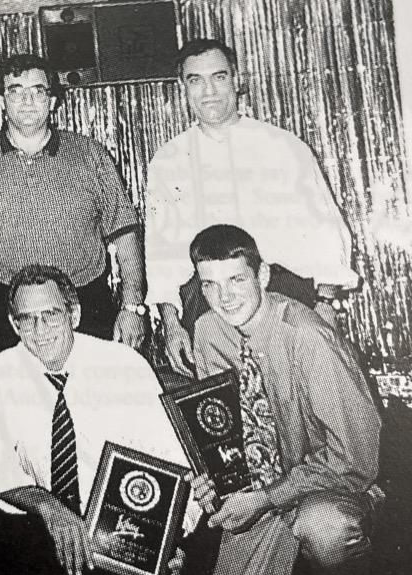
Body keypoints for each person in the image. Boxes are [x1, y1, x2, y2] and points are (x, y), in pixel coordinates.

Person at [144, 38, 358, 376]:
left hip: (286, 290)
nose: (208, 91)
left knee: (304, 405)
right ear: (181, 88)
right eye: (195, 80)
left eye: (219, 77)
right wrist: (172, 324)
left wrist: (326, 305)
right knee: (232, 411)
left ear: (237, 79)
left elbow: (325, 233)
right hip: (209, 300)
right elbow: (161, 255)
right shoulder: (168, 161)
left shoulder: (284, 148)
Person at [0, 264, 196, 575]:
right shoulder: (2, 371)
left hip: (123, 533)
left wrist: (171, 538)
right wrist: (49, 508)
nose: (39, 329)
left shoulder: (124, 366)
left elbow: (173, 461)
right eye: (26, 319)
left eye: (50, 314)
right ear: (13, 324)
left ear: (73, 315)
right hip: (43, 527)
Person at [188, 224, 382, 575]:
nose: (225, 298)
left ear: (262, 275)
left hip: (332, 484)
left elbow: (357, 457)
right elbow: (223, 435)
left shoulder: (308, 338)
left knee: (324, 529)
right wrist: (213, 477)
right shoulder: (208, 332)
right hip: (263, 486)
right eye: (210, 285)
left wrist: (268, 497)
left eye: (236, 280)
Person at [0, 54, 146, 382]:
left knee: (92, 403)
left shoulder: (90, 154)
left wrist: (132, 307)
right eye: (16, 91)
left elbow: (124, 229)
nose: (28, 100)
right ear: (2, 101)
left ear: (53, 100)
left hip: (83, 300)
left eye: (38, 91)